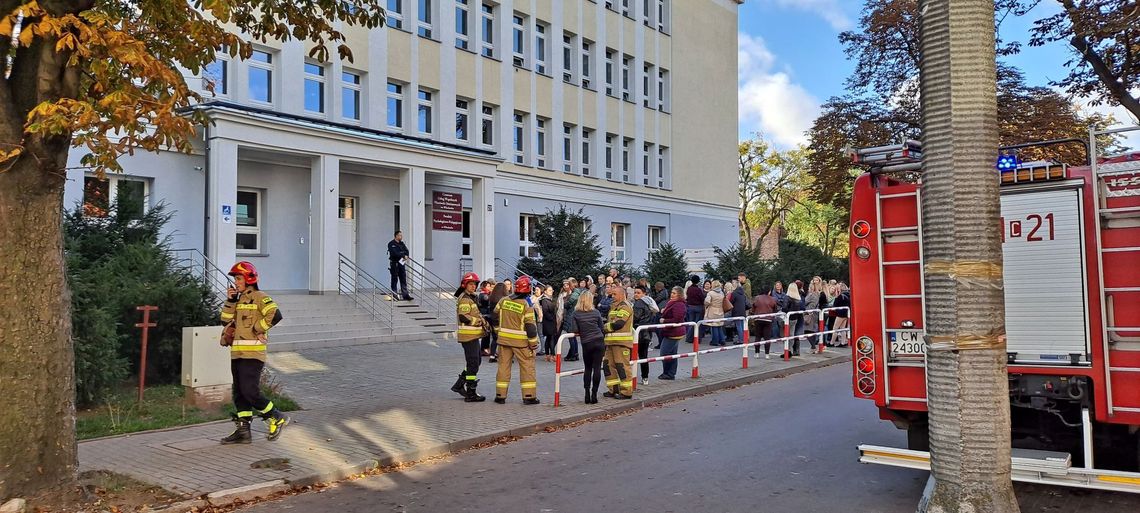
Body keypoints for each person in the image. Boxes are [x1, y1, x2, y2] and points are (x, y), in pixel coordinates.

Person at [219, 261, 288, 444]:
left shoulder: (260, 297)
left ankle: (276, 416)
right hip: (237, 353)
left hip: (253, 354)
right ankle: (243, 432)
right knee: (239, 393)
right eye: (235, 279)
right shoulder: (238, 299)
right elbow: (224, 320)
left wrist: (258, 328)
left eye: (239, 278)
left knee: (250, 391)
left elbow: (276, 314)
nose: (236, 282)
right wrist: (231, 301)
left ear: (249, 279)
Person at [492, 276, 540, 405]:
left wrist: (497, 331)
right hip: (521, 344)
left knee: (503, 367)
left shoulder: (503, 301)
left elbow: (494, 315)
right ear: (528, 289)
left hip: (503, 341)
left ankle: (500, 396)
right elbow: (530, 328)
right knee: (527, 368)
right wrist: (533, 344)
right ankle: (529, 396)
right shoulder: (526, 305)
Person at [451, 272, 487, 402]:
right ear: (465, 285)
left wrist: (484, 321)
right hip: (468, 337)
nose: (473, 286)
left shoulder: (471, 297)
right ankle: (471, 393)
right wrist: (478, 321)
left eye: (475, 284)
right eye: (471, 284)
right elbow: (464, 316)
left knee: (476, 361)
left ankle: (459, 385)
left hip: (473, 336)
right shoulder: (465, 299)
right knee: (473, 363)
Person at [570, 291, 606, 404]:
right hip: (599, 341)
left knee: (588, 368)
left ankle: (586, 394)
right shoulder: (596, 312)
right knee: (597, 368)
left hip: (587, 342)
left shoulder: (576, 313)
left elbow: (575, 330)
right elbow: (601, 327)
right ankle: (594, 394)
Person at [602, 286, 635, 399]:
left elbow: (618, 324)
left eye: (615, 294)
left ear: (622, 294)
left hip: (621, 343)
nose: (612, 296)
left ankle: (627, 392)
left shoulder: (625, 307)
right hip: (611, 343)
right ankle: (613, 389)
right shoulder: (614, 307)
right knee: (607, 366)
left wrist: (603, 327)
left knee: (622, 367)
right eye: (612, 294)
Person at [658, 287, 688, 380]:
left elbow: (677, 319)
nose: (672, 294)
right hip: (671, 331)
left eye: (674, 293)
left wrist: (664, 320)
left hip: (673, 332)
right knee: (673, 353)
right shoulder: (673, 302)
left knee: (665, 353)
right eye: (672, 292)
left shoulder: (679, 304)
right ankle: (670, 373)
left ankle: (668, 373)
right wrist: (664, 311)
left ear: (679, 294)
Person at [632, 285, 656, 386]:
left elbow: (635, 318)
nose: (636, 295)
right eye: (635, 292)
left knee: (632, 357)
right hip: (646, 333)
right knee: (643, 357)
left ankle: (631, 378)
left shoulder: (638, 304)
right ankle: (645, 378)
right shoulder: (649, 302)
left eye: (638, 293)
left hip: (638, 333)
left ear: (644, 294)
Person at [751, 286, 779, 358]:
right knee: (767, 338)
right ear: (769, 292)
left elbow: (753, 308)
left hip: (758, 319)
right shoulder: (772, 299)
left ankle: (757, 353)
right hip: (768, 319)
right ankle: (767, 354)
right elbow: (775, 309)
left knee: (758, 337)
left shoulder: (757, 298)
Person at [386, 231, 413, 301]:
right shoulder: (391, 244)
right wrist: (403, 255)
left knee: (403, 279)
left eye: (401, 235)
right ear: (396, 236)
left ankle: (405, 295)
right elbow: (394, 253)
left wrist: (405, 255)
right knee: (394, 279)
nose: (401, 237)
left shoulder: (402, 243)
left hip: (401, 262)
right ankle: (394, 295)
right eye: (400, 235)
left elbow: (406, 251)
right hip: (395, 263)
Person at [487, 282, 509, 363]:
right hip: (501, 321)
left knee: (495, 339)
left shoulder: (492, 298)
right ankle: (503, 357)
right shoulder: (504, 299)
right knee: (503, 340)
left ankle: (492, 356)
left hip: (493, 321)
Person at [560, 279, 582, 361]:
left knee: (571, 337)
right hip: (573, 316)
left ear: (573, 285)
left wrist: (564, 303)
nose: (568, 286)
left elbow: (569, 303)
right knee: (573, 337)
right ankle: (574, 353)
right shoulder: (577, 292)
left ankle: (573, 355)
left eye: (569, 284)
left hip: (571, 317)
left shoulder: (575, 294)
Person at [704, 280, 726, 347]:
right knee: (719, 326)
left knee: (714, 326)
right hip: (720, 310)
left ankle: (715, 341)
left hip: (712, 310)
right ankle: (722, 340)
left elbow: (707, 301)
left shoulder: (710, 293)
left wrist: (707, 304)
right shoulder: (721, 293)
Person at [540, 285, 558, 360]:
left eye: (552, 290)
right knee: (551, 338)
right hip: (548, 322)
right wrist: (552, 318)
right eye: (549, 290)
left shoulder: (550, 299)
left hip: (550, 321)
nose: (551, 292)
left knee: (549, 338)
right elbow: (545, 311)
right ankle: (552, 355)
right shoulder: (544, 300)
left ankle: (548, 355)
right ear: (545, 291)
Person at [786, 282, 805, 356]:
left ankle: (792, 350)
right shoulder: (801, 295)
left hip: (793, 317)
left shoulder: (790, 296)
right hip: (798, 316)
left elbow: (785, 307)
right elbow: (803, 306)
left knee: (792, 333)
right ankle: (795, 350)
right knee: (794, 333)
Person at [804, 279, 822, 353]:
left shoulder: (812, 294)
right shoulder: (818, 294)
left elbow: (805, 302)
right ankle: (813, 347)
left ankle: (813, 347)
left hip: (810, 313)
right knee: (812, 330)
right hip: (815, 313)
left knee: (807, 330)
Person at [684, 275, 705, 340]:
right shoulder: (698, 289)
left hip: (690, 306)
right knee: (698, 323)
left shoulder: (689, 289)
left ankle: (689, 338)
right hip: (698, 307)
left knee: (691, 322)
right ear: (698, 281)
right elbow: (702, 298)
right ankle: (697, 338)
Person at [729, 280, 749, 344]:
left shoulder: (734, 293)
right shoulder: (742, 293)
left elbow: (731, 302)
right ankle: (744, 339)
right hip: (742, 311)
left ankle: (740, 340)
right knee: (743, 326)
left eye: (733, 283)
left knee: (738, 326)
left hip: (736, 311)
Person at [478, 280, 494, 355]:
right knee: (486, 333)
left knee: (487, 333)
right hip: (485, 316)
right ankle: (484, 349)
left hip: (486, 315)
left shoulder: (485, 294)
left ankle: (485, 349)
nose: (489, 287)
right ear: (484, 287)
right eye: (488, 286)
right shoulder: (484, 295)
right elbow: (488, 300)